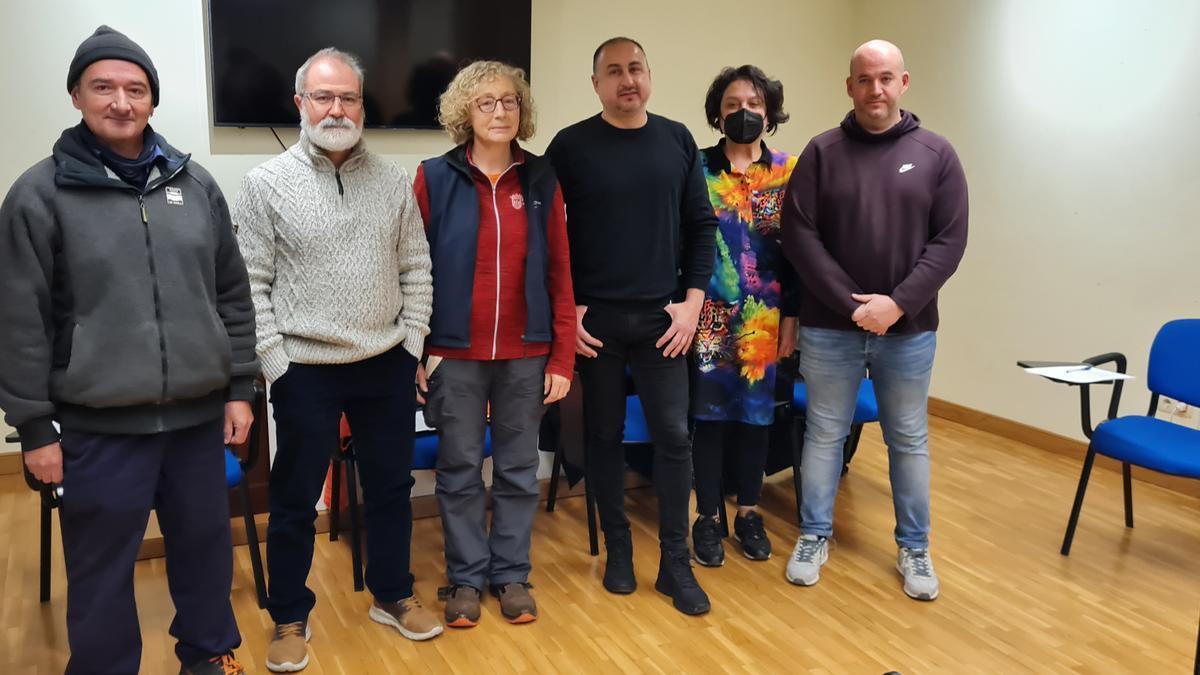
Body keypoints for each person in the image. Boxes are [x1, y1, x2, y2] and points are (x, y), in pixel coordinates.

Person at [0, 25, 257, 675]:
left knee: (205, 552)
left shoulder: (194, 186)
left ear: (152, 99)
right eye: (104, 87)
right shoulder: (39, 195)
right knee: (101, 569)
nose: (121, 101)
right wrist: (33, 426)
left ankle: (207, 655)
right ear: (77, 96)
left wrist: (240, 387)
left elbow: (231, 293)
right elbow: (18, 319)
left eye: (135, 88)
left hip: (197, 420)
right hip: (97, 427)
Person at [233, 47, 439, 672]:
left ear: (362, 106)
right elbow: (250, 285)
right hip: (304, 369)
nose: (336, 108)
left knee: (391, 488)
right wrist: (276, 364)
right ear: (300, 104)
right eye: (323, 97)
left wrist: (411, 344)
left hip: (385, 363)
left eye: (348, 97)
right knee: (295, 498)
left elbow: (416, 268)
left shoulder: (393, 181)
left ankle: (393, 593)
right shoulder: (263, 185)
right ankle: (290, 615)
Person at [780, 39, 968, 600]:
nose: (876, 90)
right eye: (865, 80)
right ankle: (814, 534)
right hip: (828, 328)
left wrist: (897, 303)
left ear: (904, 83)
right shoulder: (821, 152)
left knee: (907, 439)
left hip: (908, 331)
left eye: (886, 78)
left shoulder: (937, 154)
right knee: (824, 435)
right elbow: (800, 237)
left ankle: (915, 548)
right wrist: (853, 304)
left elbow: (949, 241)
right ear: (850, 86)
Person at [546, 37, 718, 616]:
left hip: (663, 321)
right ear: (595, 83)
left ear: (650, 75)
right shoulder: (569, 147)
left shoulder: (677, 140)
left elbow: (701, 228)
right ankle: (619, 550)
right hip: (596, 325)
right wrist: (567, 313)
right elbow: (546, 239)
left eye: (636, 68)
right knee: (601, 438)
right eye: (613, 71)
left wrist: (693, 305)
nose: (627, 79)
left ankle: (675, 564)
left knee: (673, 436)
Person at [412, 60, 575, 628]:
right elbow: (414, 271)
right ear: (465, 112)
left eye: (509, 101)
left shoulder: (541, 178)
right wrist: (416, 350)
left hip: (526, 352)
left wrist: (562, 353)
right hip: (453, 353)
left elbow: (560, 270)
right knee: (457, 468)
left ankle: (510, 574)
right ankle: (464, 579)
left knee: (515, 468)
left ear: (521, 111)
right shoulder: (432, 177)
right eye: (486, 102)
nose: (500, 111)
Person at [689, 65, 799, 567]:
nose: (743, 113)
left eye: (753, 105)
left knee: (756, 420)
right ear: (718, 113)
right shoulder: (696, 168)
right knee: (709, 418)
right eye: (733, 105)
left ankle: (749, 513)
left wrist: (792, 319)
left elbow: (798, 253)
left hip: (766, 319)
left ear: (769, 112)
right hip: (707, 315)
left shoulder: (787, 172)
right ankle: (707, 518)